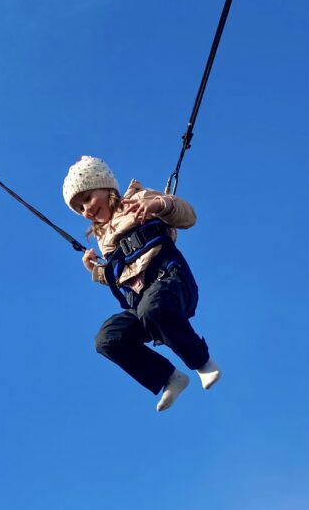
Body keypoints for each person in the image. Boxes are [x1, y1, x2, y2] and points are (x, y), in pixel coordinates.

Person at [63, 155, 221, 411]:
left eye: (89, 198)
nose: (87, 210)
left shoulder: (138, 199)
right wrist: (97, 271)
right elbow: (125, 277)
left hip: (173, 282)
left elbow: (188, 216)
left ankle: (202, 361)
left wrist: (158, 205)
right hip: (145, 304)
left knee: (152, 306)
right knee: (107, 338)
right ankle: (169, 378)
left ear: (106, 187)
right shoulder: (105, 240)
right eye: (81, 208)